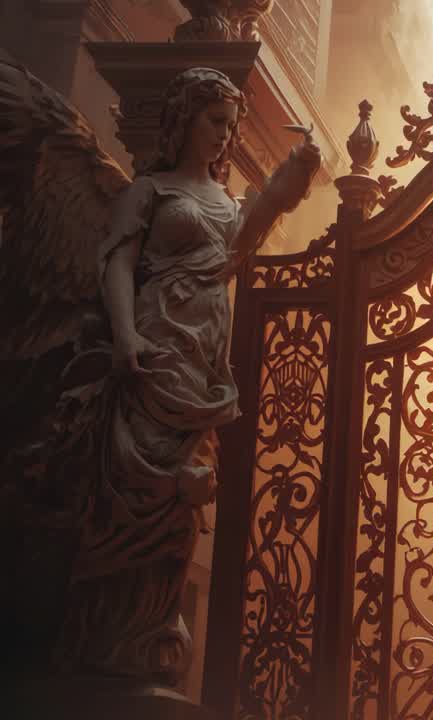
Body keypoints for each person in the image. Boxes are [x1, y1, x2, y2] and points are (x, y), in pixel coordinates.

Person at [0, 64, 319, 687]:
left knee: (181, 506)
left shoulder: (226, 201)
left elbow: (243, 243)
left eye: (231, 125)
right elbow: (115, 263)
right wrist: (124, 334)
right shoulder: (147, 191)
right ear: (184, 120)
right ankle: (101, 645)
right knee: (132, 490)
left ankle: (152, 636)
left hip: (200, 366)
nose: (226, 136)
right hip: (150, 352)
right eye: (216, 122)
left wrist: (298, 174)